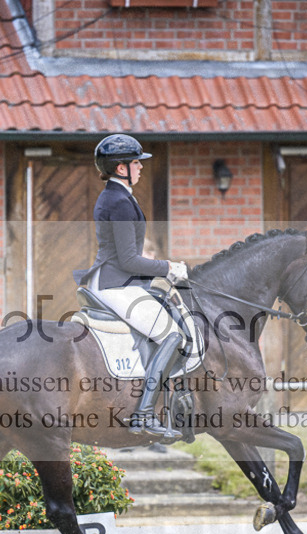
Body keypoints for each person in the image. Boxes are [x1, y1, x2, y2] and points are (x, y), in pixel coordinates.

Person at [74, 134, 189, 440]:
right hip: (115, 283)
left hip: (113, 279)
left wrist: (151, 265)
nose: (141, 167)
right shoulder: (120, 201)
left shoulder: (117, 196)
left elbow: (126, 254)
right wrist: (167, 267)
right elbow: (127, 260)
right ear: (121, 167)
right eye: (137, 162)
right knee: (172, 333)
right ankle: (144, 415)